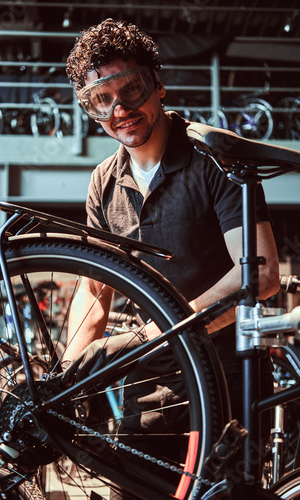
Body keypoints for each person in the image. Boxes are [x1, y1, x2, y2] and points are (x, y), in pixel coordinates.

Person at [62, 18, 280, 498]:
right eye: (102, 100)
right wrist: (68, 374)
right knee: (132, 486)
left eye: (131, 90)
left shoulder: (216, 158)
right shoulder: (104, 180)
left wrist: (147, 337)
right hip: (153, 380)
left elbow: (261, 273)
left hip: (227, 377)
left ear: (157, 86)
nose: (120, 109)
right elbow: (95, 291)